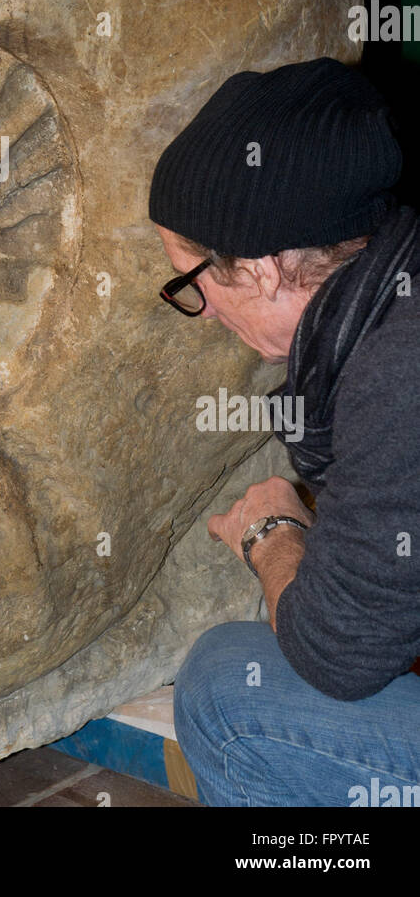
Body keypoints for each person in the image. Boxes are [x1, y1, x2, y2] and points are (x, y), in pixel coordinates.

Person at [148, 56, 420, 807]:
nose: (198, 309)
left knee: (225, 692)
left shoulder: (398, 373)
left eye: (188, 277)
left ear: (262, 269)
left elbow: (337, 657)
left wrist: (273, 535)